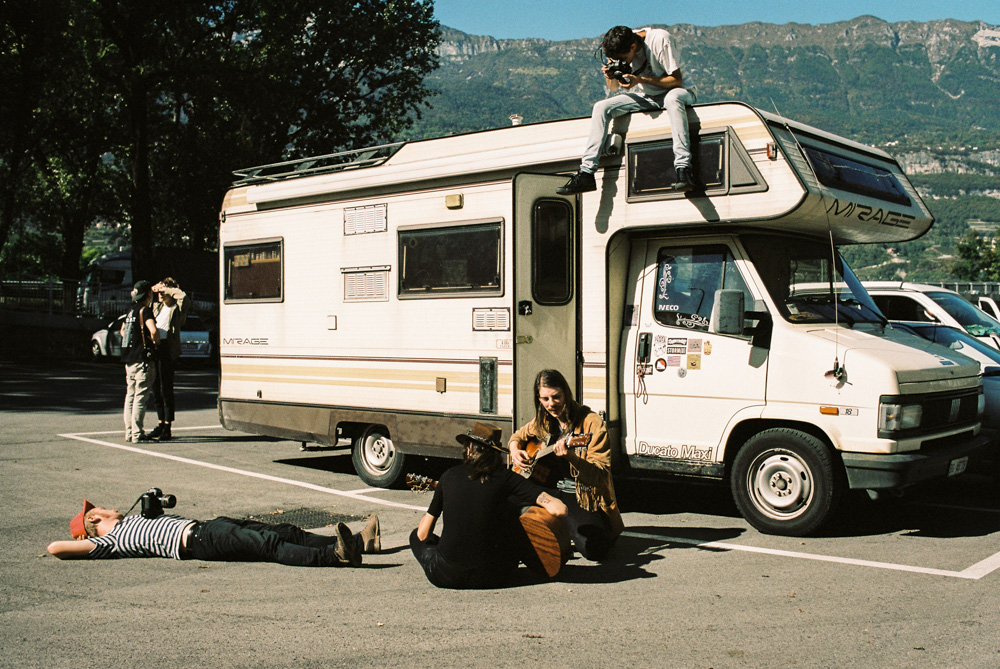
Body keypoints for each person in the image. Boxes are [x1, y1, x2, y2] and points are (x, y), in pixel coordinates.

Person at [410, 422, 568, 589]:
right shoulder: (507, 478)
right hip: (493, 577)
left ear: (469, 447)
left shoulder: (448, 476)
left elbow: (423, 534)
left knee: (416, 537)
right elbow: (560, 509)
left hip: (446, 576)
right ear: (495, 453)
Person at [557, 25, 697, 195]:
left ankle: (683, 169)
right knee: (601, 107)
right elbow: (614, 88)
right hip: (650, 96)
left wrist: (640, 80)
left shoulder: (660, 39)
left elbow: (676, 80)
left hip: (679, 92)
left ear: (632, 47)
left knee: (672, 99)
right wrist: (611, 76)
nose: (622, 62)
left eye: (623, 58)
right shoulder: (620, 49)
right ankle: (586, 172)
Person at [47, 499, 381, 568]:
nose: (109, 506)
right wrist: (85, 539)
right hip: (199, 542)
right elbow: (54, 548)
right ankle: (335, 556)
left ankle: (358, 543)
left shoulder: (130, 522)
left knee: (284, 529)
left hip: (208, 525)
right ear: (94, 516)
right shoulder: (109, 542)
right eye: (100, 507)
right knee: (269, 545)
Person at [508, 369, 624, 561]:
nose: (551, 404)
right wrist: (514, 450)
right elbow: (518, 436)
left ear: (566, 394)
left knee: (594, 549)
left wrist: (572, 458)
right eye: (545, 399)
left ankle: (566, 526)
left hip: (577, 493)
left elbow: (600, 475)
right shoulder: (544, 419)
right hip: (546, 489)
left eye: (556, 397)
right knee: (500, 498)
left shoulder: (592, 424)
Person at [148, 278, 190, 442]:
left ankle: (167, 426)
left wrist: (168, 289)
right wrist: (154, 288)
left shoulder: (177, 309)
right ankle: (160, 423)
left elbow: (184, 297)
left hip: (167, 349)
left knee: (166, 389)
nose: (160, 294)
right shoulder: (157, 307)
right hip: (155, 347)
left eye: (163, 292)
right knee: (156, 388)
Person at [120, 280, 159, 443]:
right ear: (148, 294)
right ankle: (137, 434)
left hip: (129, 359)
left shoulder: (130, 311)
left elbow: (123, 331)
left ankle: (129, 433)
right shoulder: (145, 311)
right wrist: (155, 341)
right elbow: (154, 330)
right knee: (140, 397)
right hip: (143, 359)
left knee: (130, 395)